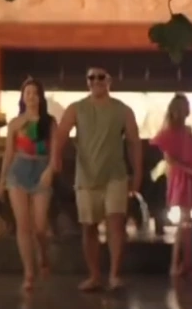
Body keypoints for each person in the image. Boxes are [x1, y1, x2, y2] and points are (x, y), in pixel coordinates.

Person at [54, 66, 142, 292]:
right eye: (91, 77)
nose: (96, 81)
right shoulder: (76, 108)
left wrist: (138, 173)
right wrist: (55, 159)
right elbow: (61, 134)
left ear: (109, 80)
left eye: (100, 77)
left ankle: (114, 275)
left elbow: (134, 142)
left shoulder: (123, 110)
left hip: (115, 175)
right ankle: (94, 275)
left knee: (116, 224)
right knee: (89, 227)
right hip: (86, 176)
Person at [0, 78, 56, 292]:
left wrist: (50, 171)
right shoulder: (15, 123)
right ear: (23, 98)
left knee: (40, 226)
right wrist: (2, 181)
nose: (31, 96)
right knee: (23, 225)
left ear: (41, 97)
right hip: (18, 171)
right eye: (27, 93)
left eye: (35, 93)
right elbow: (8, 153)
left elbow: (55, 152)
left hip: (41, 170)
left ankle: (43, 255)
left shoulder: (49, 122)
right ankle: (29, 273)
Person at [150, 93, 192, 278]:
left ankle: (186, 262)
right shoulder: (169, 133)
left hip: (190, 175)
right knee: (184, 221)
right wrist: (191, 172)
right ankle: (178, 263)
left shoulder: (187, 132)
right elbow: (170, 160)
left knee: (186, 222)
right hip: (182, 177)